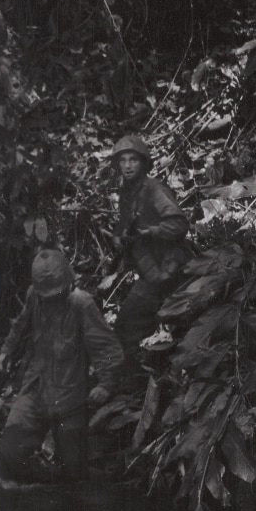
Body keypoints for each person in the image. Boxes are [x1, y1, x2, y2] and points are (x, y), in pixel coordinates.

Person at [0, 247, 123, 483]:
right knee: (10, 453)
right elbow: (19, 327)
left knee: (74, 475)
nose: (52, 299)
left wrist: (106, 384)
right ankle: (38, 494)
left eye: (57, 293)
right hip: (36, 389)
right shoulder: (35, 295)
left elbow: (106, 347)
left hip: (70, 397)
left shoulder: (81, 304)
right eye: (47, 295)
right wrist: (5, 354)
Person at [110, 134, 191, 379]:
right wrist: (118, 237)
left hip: (170, 269)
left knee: (129, 324)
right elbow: (124, 226)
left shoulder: (153, 189)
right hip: (151, 270)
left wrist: (150, 233)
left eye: (133, 160)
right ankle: (140, 379)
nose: (127, 166)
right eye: (122, 160)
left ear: (143, 163)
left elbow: (179, 223)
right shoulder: (128, 192)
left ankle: (141, 380)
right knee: (131, 326)